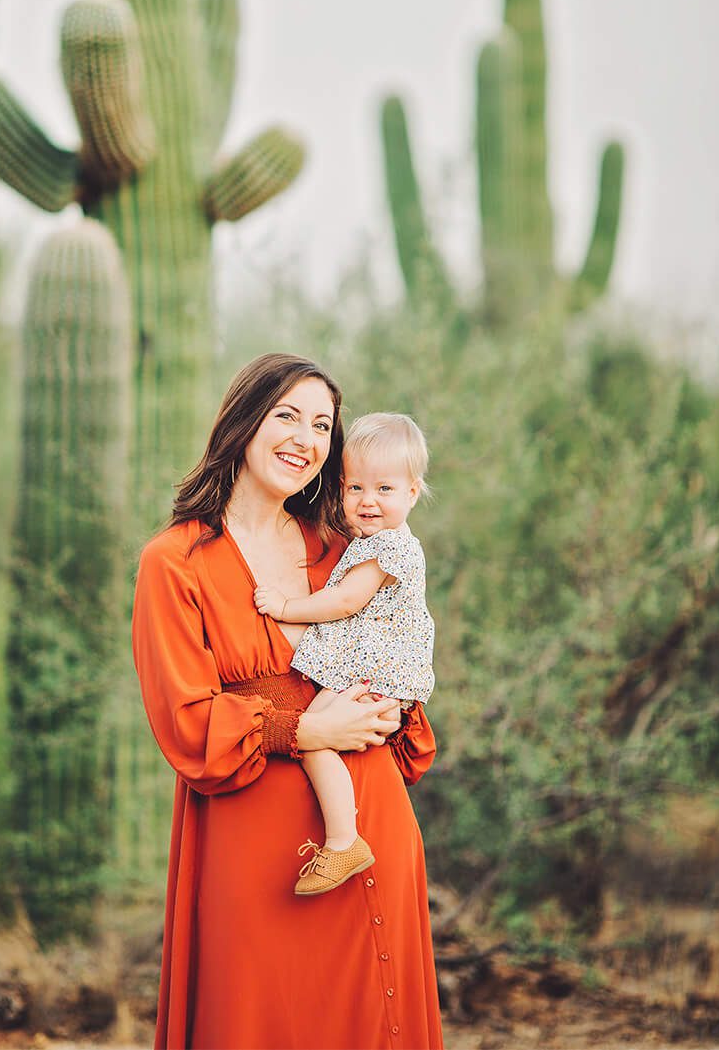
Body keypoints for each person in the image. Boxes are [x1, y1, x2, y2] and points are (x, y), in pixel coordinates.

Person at [132, 353, 442, 1050]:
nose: (306, 437)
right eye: (287, 415)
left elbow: (399, 650)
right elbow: (187, 721)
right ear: (244, 421)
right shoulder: (174, 562)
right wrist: (302, 725)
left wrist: (386, 708)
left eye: (323, 424)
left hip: (374, 819)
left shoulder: (344, 547)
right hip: (253, 845)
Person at [253, 412, 437, 895]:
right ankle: (343, 837)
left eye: (385, 489)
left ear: (412, 493)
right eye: (355, 489)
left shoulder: (390, 548)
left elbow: (346, 602)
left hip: (372, 671)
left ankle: (342, 841)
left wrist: (287, 607)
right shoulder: (369, 542)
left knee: (312, 737)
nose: (368, 501)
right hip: (372, 666)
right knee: (319, 735)